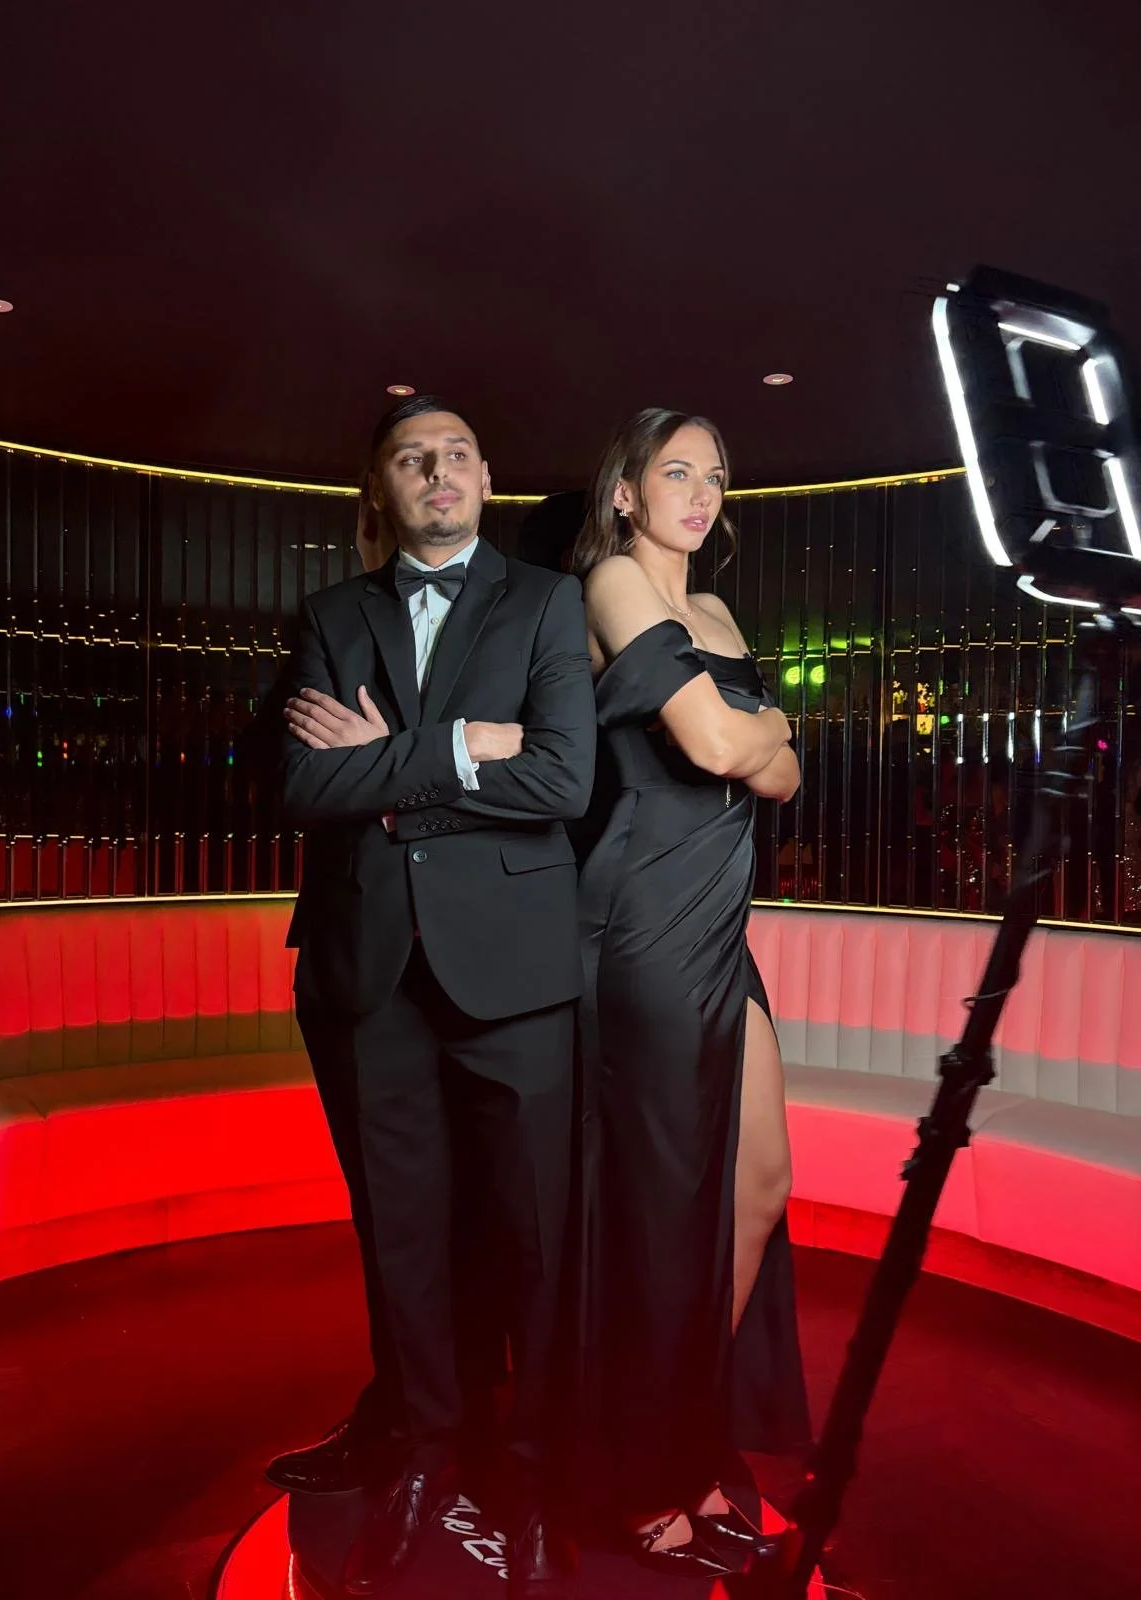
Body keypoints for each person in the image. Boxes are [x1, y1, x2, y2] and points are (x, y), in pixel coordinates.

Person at [276, 395, 594, 1597]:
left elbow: (563, 779)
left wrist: (387, 771)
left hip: (514, 971)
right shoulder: (330, 615)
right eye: (414, 458)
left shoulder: (546, 601)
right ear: (384, 488)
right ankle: (421, 1456)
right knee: (400, 1237)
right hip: (367, 973)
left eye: (457, 454)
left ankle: (535, 1478)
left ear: (486, 477)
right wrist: (465, 745)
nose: (439, 471)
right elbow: (304, 786)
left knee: (533, 1237)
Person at [573, 408, 811, 1577]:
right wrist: (767, 726)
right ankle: (640, 1469)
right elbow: (727, 750)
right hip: (645, 925)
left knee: (759, 1183)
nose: (702, 492)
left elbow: (788, 775)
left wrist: (756, 735)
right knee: (667, 1215)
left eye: (715, 476)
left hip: (722, 924)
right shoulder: (615, 584)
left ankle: (680, 1421)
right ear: (626, 491)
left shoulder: (714, 611)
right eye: (677, 471)